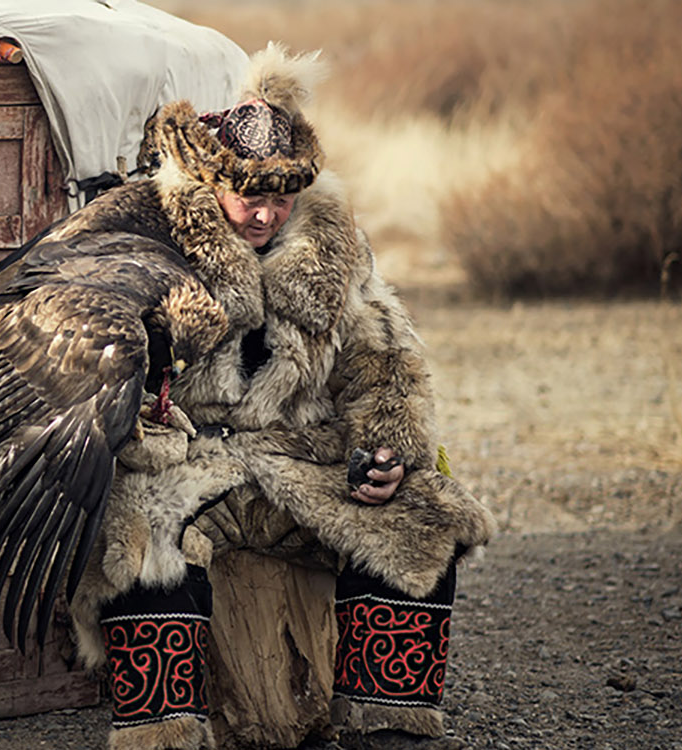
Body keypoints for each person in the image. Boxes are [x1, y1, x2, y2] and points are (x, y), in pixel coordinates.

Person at [63, 44, 494, 750]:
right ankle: (164, 730)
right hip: (186, 460)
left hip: (301, 459)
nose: (263, 215)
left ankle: (386, 726)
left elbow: (382, 357)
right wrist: (146, 421)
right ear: (211, 183)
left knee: (421, 517)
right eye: (247, 197)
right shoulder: (153, 238)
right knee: (137, 546)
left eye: (279, 199)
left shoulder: (335, 244)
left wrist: (386, 449)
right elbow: (105, 364)